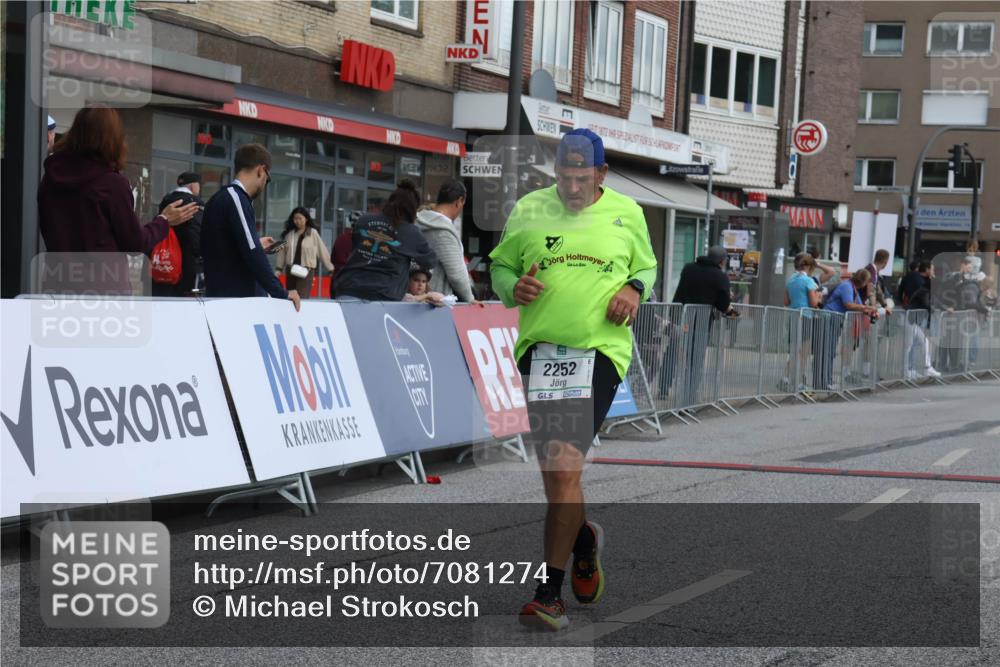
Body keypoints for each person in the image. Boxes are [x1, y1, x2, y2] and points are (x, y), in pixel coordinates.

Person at [489, 128, 657, 631]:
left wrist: (632, 287)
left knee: (564, 469)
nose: (573, 188)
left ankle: (549, 594)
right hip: (541, 352)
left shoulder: (629, 212)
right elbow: (500, 266)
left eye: (583, 178)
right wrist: (511, 285)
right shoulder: (529, 210)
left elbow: (646, 267)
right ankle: (583, 541)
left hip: (600, 351)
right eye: (565, 177)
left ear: (601, 174)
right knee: (556, 477)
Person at [37, 105, 198, 293]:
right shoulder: (111, 184)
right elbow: (135, 243)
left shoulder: (50, 180)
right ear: (112, 139)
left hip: (58, 287)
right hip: (104, 292)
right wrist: (164, 220)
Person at [200, 143, 300, 310]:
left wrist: (255, 243)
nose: (264, 184)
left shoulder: (218, 199)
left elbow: (219, 247)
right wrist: (281, 292)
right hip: (236, 300)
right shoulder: (237, 199)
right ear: (261, 170)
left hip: (219, 297)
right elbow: (252, 253)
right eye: (267, 180)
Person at [333, 180, 436, 301]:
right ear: (413, 209)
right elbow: (430, 260)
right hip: (384, 296)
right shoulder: (411, 232)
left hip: (348, 289)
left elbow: (355, 246)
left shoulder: (364, 220)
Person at [672, 246, 738, 406]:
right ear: (722, 260)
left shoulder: (688, 269)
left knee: (677, 354)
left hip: (682, 317)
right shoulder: (720, 276)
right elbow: (723, 303)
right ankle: (688, 398)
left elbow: (681, 291)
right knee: (696, 360)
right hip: (701, 323)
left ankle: (666, 389)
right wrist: (730, 310)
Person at [415, 180, 478, 303]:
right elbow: (457, 275)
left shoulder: (420, 222)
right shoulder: (442, 231)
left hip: (418, 300)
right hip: (437, 302)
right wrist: (470, 299)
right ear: (459, 202)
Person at [817, 268, 880, 390]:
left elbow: (860, 306)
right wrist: (867, 308)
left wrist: (870, 311)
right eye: (867, 281)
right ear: (863, 281)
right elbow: (849, 304)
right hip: (829, 317)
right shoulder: (847, 286)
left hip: (834, 319)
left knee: (830, 351)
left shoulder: (852, 288)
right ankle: (824, 382)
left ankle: (827, 381)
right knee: (827, 351)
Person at [152, 171, 205, 297]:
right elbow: (195, 238)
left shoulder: (166, 202)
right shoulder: (195, 204)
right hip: (186, 270)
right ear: (193, 186)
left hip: (162, 265)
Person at [782, 253, 822, 391]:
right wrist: (819, 297)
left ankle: (785, 378)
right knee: (804, 352)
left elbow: (786, 302)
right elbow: (813, 303)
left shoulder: (791, 280)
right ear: (809, 266)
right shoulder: (809, 281)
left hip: (793, 315)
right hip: (805, 316)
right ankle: (799, 382)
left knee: (793, 350)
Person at [274, 207, 333, 299]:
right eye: (295, 219)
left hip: (306, 271)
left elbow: (322, 251)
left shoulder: (313, 233)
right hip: (291, 271)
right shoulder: (289, 235)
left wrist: (331, 268)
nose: (297, 221)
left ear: (306, 219)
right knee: (290, 298)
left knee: (302, 298)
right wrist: (279, 269)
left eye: (300, 218)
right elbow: (282, 253)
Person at [903, 261, 941, 379]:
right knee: (909, 346)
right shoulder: (923, 291)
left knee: (921, 343)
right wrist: (934, 308)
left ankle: (925, 368)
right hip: (911, 321)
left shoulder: (924, 290)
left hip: (913, 321)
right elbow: (926, 303)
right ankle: (908, 370)